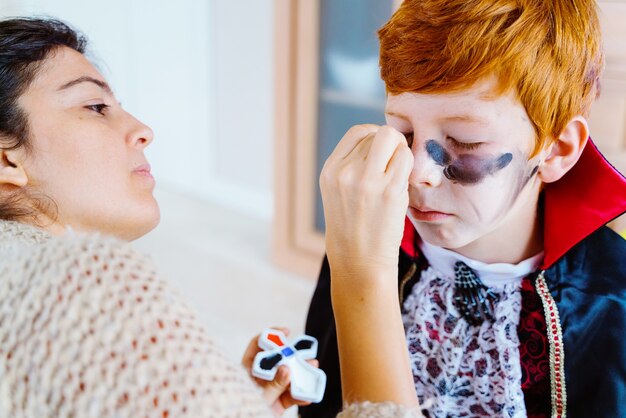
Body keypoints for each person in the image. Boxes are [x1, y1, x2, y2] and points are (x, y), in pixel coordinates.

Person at [0, 17, 423, 418]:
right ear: (6, 159)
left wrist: (213, 403)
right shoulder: (88, 287)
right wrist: (361, 272)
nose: (143, 129)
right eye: (95, 106)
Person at [301, 0, 626, 417]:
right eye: (402, 130)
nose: (418, 173)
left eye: (466, 141)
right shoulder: (362, 245)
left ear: (556, 149)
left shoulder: (610, 303)